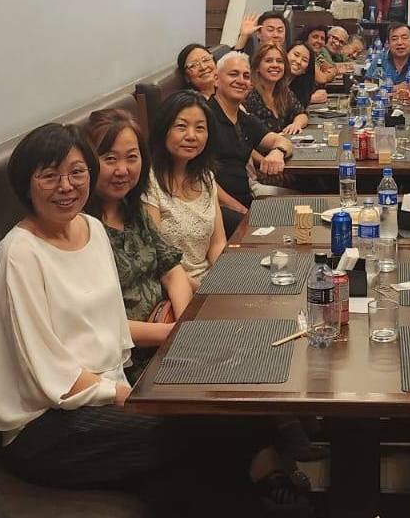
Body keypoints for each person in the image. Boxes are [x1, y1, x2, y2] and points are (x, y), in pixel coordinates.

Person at [0, 123, 311, 515]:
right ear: (26, 184)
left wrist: (127, 389)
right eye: (49, 176)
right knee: (197, 432)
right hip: (47, 426)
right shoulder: (19, 255)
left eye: (76, 172)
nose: (66, 186)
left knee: (216, 426)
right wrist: (130, 397)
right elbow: (50, 373)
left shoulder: (91, 229)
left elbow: (111, 323)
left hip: (107, 391)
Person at [84, 109, 195, 379]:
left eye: (132, 157)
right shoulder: (82, 229)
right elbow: (96, 323)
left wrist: (183, 326)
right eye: (110, 159)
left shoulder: (133, 211)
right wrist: (172, 334)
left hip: (168, 336)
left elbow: (172, 270)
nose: (122, 170)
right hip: (127, 362)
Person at [209, 52, 295, 235]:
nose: (241, 80)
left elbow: (282, 141)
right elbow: (201, 179)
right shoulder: (205, 118)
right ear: (216, 80)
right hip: (217, 209)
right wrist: (242, 212)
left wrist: (277, 152)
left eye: (246, 76)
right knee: (286, 227)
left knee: (301, 208)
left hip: (247, 197)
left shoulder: (244, 119)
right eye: (233, 74)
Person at [145, 91, 226, 281]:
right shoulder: (149, 182)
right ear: (163, 130)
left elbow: (217, 244)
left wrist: (225, 282)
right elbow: (159, 259)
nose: (191, 136)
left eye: (200, 128)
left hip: (210, 281)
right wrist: (203, 291)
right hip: (173, 287)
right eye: (181, 126)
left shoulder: (206, 177)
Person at [245, 43, 308, 135]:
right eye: (268, 61)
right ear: (257, 67)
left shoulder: (283, 91)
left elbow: (301, 114)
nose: (275, 65)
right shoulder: (249, 94)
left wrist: (296, 124)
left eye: (279, 61)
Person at [383, 22, 410, 95]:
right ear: (388, 44)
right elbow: (368, 86)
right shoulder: (380, 58)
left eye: (404, 38)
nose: (399, 42)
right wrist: (395, 87)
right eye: (394, 39)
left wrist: (386, 90)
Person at [286, 42, 328, 106]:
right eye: (296, 55)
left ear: (305, 70)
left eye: (304, 60)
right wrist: (312, 99)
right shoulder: (273, 80)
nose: (299, 61)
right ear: (285, 54)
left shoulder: (299, 88)